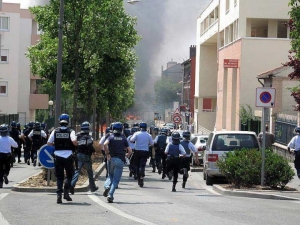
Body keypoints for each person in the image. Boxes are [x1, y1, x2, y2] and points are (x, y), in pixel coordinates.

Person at [47, 113, 77, 204]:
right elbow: (74, 141)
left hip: (58, 157)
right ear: (68, 121)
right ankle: (66, 192)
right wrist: (76, 145)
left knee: (59, 177)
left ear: (59, 121)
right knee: (70, 175)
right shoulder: (71, 131)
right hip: (68, 157)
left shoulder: (55, 131)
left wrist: (56, 146)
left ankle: (59, 196)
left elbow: (49, 143)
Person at [103, 122, 132, 203]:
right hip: (120, 160)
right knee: (116, 180)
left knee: (110, 175)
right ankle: (110, 195)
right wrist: (126, 155)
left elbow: (104, 145)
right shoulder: (123, 138)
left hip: (111, 159)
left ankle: (107, 186)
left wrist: (108, 154)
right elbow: (130, 151)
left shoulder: (110, 137)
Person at [70, 121, 98, 194]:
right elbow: (90, 146)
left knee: (77, 171)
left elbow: (74, 144)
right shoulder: (89, 137)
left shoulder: (77, 136)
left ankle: (72, 184)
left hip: (78, 155)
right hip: (86, 156)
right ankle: (93, 187)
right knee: (90, 172)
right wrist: (93, 151)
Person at [130, 122, 154, 187]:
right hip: (145, 152)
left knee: (137, 165)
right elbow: (152, 144)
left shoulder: (136, 134)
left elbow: (131, 140)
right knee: (142, 165)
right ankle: (142, 175)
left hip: (137, 151)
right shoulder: (148, 135)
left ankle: (138, 178)